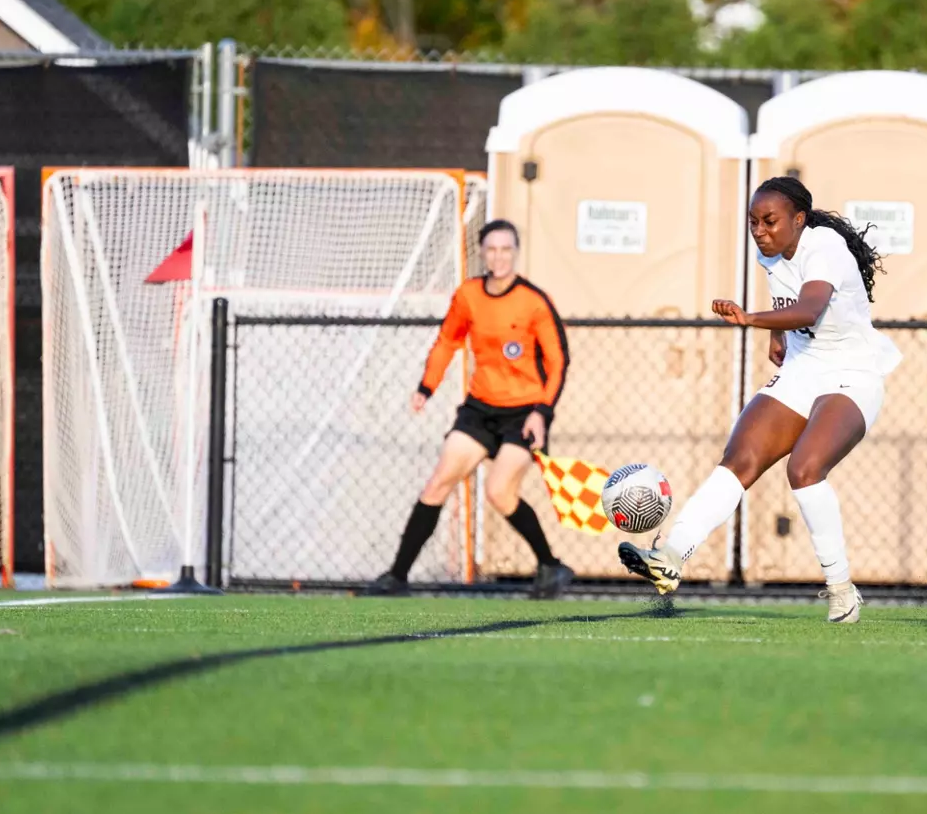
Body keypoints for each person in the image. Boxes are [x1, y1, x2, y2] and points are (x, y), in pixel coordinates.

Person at [618, 176, 898, 623]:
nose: (760, 230)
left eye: (770, 221)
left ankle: (841, 588)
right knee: (739, 459)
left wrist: (751, 319)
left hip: (853, 373)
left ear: (799, 220)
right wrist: (776, 333)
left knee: (804, 469)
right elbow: (790, 306)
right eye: (753, 222)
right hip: (803, 369)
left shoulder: (823, 245)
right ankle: (670, 556)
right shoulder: (768, 252)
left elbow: (809, 307)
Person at [360, 219, 575, 598]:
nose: (499, 256)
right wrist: (426, 387)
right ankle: (396, 577)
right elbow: (448, 341)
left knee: (499, 492)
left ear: (515, 252)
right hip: (479, 410)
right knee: (439, 481)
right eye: (492, 249)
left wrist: (542, 412)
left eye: (506, 249)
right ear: (482, 253)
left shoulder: (534, 301)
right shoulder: (469, 295)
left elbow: (558, 361)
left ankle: (551, 567)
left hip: (523, 414)